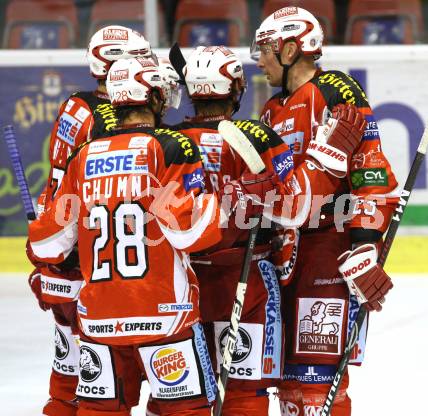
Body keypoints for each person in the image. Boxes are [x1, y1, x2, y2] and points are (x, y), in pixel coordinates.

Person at [27, 56, 280, 416]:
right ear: (154, 97)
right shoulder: (168, 146)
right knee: (184, 410)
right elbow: (189, 232)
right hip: (164, 317)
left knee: (98, 412)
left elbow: (46, 243)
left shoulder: (83, 156)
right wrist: (233, 199)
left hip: (99, 319)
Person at [163, 45, 369, 416]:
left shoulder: (166, 143)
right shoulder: (257, 134)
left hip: (182, 286)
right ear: (235, 88)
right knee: (244, 392)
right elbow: (291, 207)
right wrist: (328, 157)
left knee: (182, 394)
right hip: (246, 281)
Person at [252, 6, 398, 416]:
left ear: (291, 48)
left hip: (328, 252)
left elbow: (370, 167)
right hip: (284, 256)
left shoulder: (337, 90)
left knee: (317, 379)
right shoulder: (271, 110)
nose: (258, 59)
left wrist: (365, 243)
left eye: (265, 49)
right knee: (287, 380)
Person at [26, 25, 155, 416]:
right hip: (93, 265)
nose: (148, 65)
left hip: (59, 252)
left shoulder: (74, 104)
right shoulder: (111, 121)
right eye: (140, 58)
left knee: (67, 379)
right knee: (108, 384)